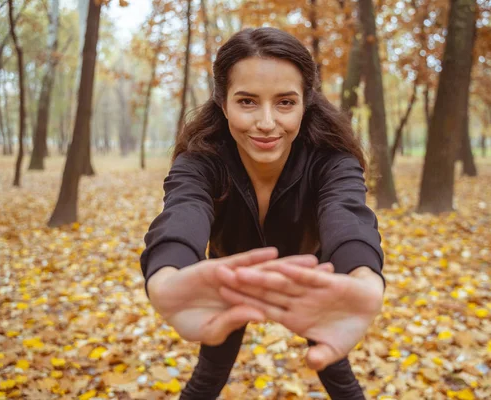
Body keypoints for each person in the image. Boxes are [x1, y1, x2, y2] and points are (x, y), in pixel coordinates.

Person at [140, 27, 385, 400]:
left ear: (306, 102)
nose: (267, 122)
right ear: (224, 104)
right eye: (248, 102)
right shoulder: (201, 159)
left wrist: (365, 278)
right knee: (207, 377)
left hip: (310, 279)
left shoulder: (332, 160)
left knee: (339, 374)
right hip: (229, 279)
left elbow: (347, 214)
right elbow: (183, 211)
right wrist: (164, 276)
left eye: (285, 102)